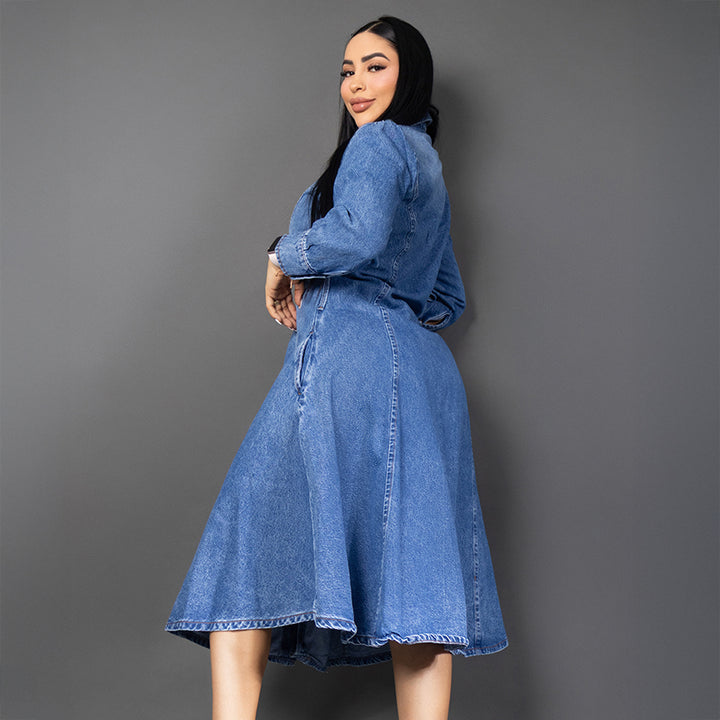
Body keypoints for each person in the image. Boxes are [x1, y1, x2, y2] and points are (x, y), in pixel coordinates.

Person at [165, 15, 508, 720]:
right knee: (410, 575)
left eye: (376, 66)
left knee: (245, 551)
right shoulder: (425, 159)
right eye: (348, 70)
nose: (356, 84)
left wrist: (283, 258)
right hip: (419, 379)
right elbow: (445, 297)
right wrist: (364, 306)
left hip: (345, 371)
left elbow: (357, 234)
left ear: (410, 75)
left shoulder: (379, 144)